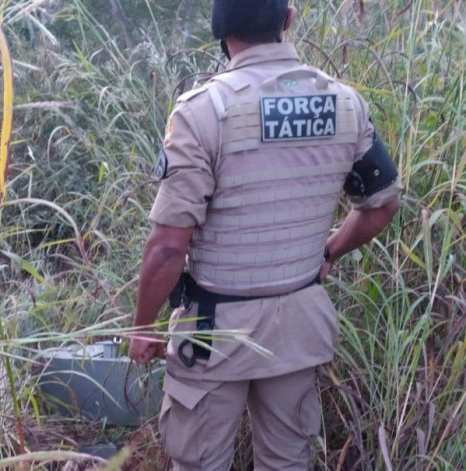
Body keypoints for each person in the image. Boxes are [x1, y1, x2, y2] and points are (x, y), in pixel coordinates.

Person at [127, 0, 402, 469]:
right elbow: (382, 204)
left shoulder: (202, 113)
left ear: (220, 28)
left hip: (214, 335)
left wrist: (143, 325)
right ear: (287, 20)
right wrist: (328, 251)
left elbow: (169, 247)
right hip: (298, 328)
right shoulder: (344, 103)